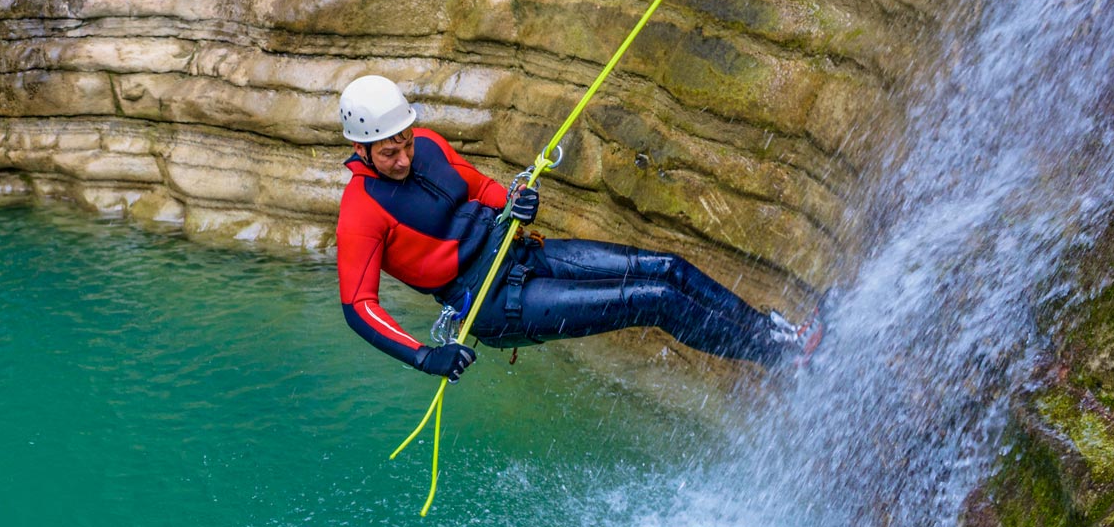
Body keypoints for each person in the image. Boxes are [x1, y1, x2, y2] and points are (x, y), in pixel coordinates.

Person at [334, 75, 815, 381]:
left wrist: (516, 200)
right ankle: (781, 358)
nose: (402, 158)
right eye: (388, 153)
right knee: (656, 300)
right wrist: (424, 356)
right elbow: (359, 307)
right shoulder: (361, 212)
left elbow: (480, 189)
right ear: (361, 148)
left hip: (522, 254)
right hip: (496, 305)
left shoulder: (431, 145)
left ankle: (780, 334)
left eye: (405, 144)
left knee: (669, 269)